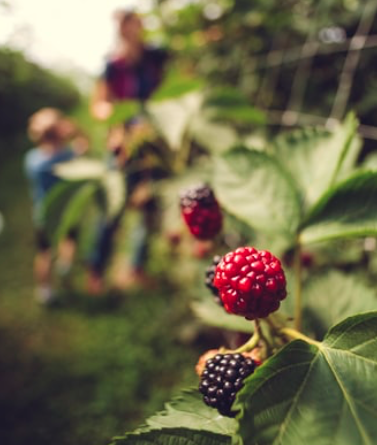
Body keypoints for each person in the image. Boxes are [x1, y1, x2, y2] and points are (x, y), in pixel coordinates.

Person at [88, 9, 169, 293]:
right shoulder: (113, 65)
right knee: (113, 208)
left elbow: (170, 90)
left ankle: (136, 267)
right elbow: (98, 104)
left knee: (149, 206)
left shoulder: (155, 57)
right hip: (124, 147)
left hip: (156, 144)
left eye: (132, 23)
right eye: (123, 26)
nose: (128, 30)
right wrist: (116, 119)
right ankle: (96, 270)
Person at [24, 107, 88, 304]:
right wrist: (76, 130)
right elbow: (84, 145)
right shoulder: (66, 157)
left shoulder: (32, 159)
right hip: (68, 211)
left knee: (44, 252)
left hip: (43, 213)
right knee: (69, 241)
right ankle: (65, 267)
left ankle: (45, 290)